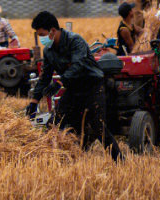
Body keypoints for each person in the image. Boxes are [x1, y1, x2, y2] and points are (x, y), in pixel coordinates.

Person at [25, 11, 123, 162]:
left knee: (98, 127)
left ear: (52, 30)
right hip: (73, 88)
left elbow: (78, 66)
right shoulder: (49, 51)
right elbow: (44, 79)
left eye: (42, 34)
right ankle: (58, 161)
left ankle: (119, 161)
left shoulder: (75, 41)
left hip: (92, 86)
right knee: (55, 123)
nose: (41, 38)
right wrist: (34, 102)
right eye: (39, 35)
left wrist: (59, 83)